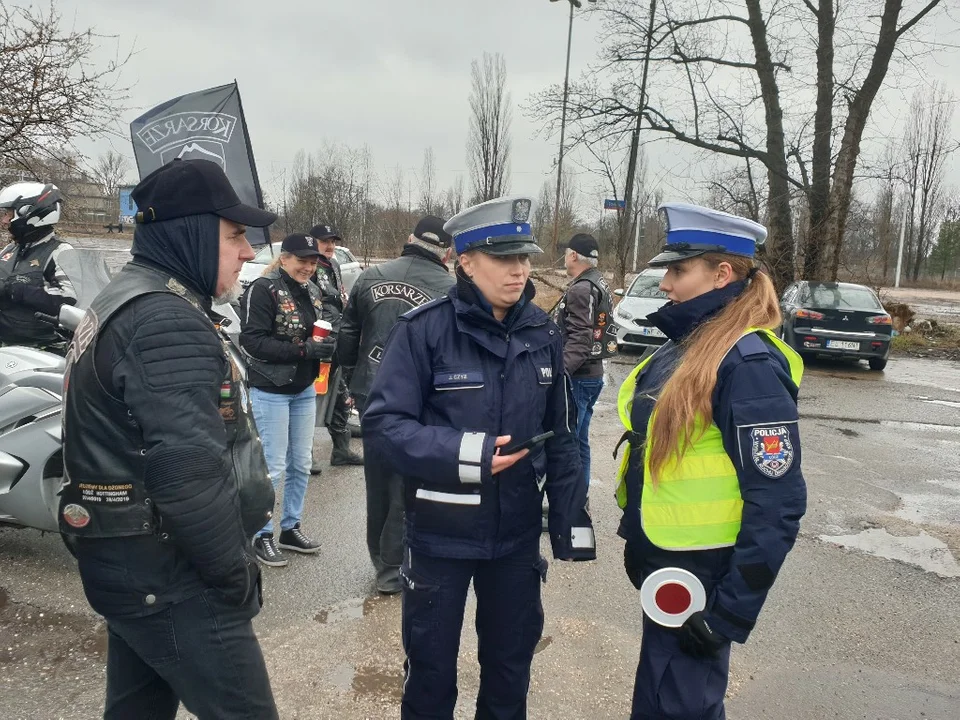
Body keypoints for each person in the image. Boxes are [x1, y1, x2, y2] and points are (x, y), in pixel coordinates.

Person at [58, 157, 279, 719]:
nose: (249, 252)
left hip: (132, 564)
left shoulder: (126, 299)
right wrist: (235, 574)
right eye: (234, 236)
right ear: (193, 231)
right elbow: (188, 475)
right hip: (174, 576)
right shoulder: (163, 319)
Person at [363, 196, 596, 720]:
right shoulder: (423, 330)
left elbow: (560, 435)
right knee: (430, 673)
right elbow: (384, 427)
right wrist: (463, 452)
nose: (520, 271)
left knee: (510, 671)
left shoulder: (542, 332)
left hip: (514, 538)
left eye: (525, 258)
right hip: (440, 537)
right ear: (464, 261)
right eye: (503, 259)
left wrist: (567, 521)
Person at [614, 202, 806, 720]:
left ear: (722, 274)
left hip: (708, 581)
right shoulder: (688, 346)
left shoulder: (748, 363)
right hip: (672, 568)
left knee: (681, 706)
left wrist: (728, 612)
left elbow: (779, 500)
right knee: (661, 702)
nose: (667, 285)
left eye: (678, 271)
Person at [338, 215, 455, 594]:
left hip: (369, 391)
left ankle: (382, 559)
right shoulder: (450, 289)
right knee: (408, 480)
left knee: (378, 478)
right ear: (448, 252)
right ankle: (392, 567)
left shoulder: (369, 277)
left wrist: (354, 380)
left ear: (410, 239)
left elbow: (347, 335)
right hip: (420, 397)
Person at [240, 232, 337, 567]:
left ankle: (290, 527)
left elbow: (318, 329)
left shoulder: (312, 291)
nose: (308, 267)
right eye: (301, 260)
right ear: (284, 259)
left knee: (300, 464)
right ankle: (260, 533)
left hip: (303, 389)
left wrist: (326, 346)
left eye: (312, 261)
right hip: (270, 390)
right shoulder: (262, 290)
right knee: (273, 466)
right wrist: (303, 349)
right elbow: (252, 343)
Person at [553, 232, 616, 491]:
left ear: (574, 255)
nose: (565, 259)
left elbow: (580, 339)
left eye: (566, 253)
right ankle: (580, 498)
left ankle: (572, 503)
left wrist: (559, 374)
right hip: (592, 374)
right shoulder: (597, 281)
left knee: (568, 443)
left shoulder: (581, 289)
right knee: (579, 442)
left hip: (578, 378)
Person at [309, 223, 364, 469]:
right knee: (313, 397)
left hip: (338, 337)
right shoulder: (308, 266)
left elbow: (338, 298)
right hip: (320, 340)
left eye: (332, 241)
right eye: (324, 241)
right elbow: (316, 303)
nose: (330, 246)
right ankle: (303, 454)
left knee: (340, 394)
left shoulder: (333, 264)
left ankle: (341, 450)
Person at [0, 181, 77, 348]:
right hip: (6, 346)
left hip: (41, 347)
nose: (4, 220)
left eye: (8, 214)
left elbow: (69, 299)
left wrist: (19, 291)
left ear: (28, 213)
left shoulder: (61, 251)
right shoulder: (9, 249)